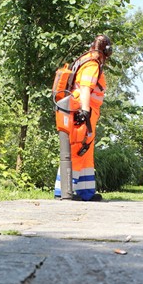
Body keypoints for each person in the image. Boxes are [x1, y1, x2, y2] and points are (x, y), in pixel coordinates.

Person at [55, 34, 112, 202]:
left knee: (85, 151)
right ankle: (65, 190)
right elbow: (86, 88)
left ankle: (85, 192)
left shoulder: (84, 60)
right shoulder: (92, 65)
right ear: (106, 51)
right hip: (82, 111)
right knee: (78, 149)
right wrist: (85, 112)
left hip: (79, 110)